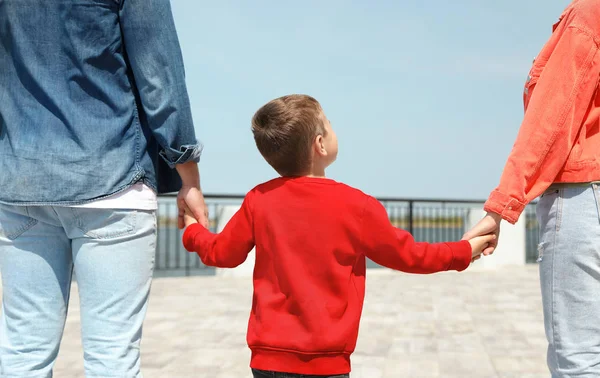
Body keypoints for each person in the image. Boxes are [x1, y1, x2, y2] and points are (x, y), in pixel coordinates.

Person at [182, 94, 494, 378]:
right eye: (329, 123)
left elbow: (222, 253)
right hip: (326, 364)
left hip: (266, 362)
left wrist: (193, 232)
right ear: (320, 144)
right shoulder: (357, 206)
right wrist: (464, 251)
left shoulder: (258, 200)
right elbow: (409, 255)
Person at [0, 0, 207, 376]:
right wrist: (188, 174)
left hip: (21, 178)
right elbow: (159, 75)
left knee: (23, 351)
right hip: (112, 177)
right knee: (111, 357)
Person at [463, 1, 600, 376]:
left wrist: (500, 207)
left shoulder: (589, 15)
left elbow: (551, 122)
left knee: (579, 359)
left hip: (584, 198)